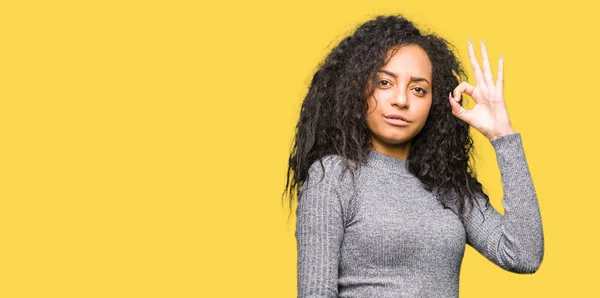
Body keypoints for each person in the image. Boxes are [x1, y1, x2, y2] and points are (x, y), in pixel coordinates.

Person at [281, 14, 544, 298]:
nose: (401, 100)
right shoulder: (333, 176)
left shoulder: (446, 185)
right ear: (358, 88)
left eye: (418, 89)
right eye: (384, 83)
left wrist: (502, 135)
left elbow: (523, 254)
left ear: (435, 101)